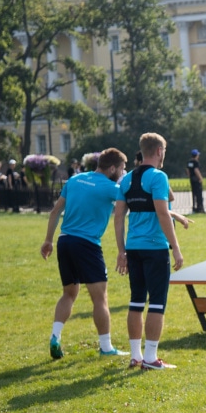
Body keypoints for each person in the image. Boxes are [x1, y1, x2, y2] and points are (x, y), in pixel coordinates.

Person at [41, 148, 129, 360]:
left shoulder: (75, 180)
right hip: (87, 245)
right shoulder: (111, 187)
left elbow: (55, 212)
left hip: (64, 241)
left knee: (69, 293)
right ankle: (106, 347)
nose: (124, 173)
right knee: (100, 298)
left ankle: (55, 336)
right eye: (123, 169)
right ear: (113, 168)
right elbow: (127, 209)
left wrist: (48, 240)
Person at [113, 133, 184, 370]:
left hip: (133, 248)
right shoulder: (158, 177)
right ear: (159, 151)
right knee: (156, 303)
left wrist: (121, 250)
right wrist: (176, 248)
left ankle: (136, 356)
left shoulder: (126, 179)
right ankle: (151, 358)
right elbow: (163, 213)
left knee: (135, 301)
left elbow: (119, 218)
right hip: (155, 248)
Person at [187, 149, 205, 214]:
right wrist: (200, 178)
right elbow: (196, 170)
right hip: (196, 179)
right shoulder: (196, 162)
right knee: (199, 194)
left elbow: (188, 171)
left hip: (192, 179)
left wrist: (190, 176)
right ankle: (200, 208)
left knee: (193, 194)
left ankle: (194, 207)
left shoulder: (189, 162)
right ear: (196, 155)